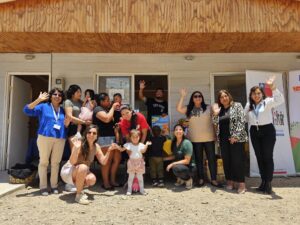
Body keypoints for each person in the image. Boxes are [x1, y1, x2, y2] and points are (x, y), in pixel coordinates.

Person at [244, 76, 284, 194]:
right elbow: (244, 119)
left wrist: (272, 86)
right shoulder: (248, 106)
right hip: (254, 131)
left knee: (267, 157)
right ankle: (263, 181)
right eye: (254, 94)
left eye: (258, 93)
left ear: (262, 94)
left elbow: (280, 100)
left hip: (267, 131)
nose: (256, 95)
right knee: (259, 157)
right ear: (251, 96)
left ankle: (269, 183)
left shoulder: (267, 102)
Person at [23, 88, 66, 196]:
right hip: (44, 137)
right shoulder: (43, 106)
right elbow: (27, 110)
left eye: (60, 95)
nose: (57, 96)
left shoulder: (63, 110)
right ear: (51, 96)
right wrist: (38, 100)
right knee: (44, 162)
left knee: (56, 163)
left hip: (60, 138)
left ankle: (54, 185)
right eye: (55, 94)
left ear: (62, 98)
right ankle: (43, 187)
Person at [61, 125, 118, 205]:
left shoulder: (96, 146)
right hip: (68, 171)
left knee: (92, 179)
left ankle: (77, 188)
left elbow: (103, 162)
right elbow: (72, 162)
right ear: (85, 134)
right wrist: (76, 148)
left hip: (80, 171)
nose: (91, 135)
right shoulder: (79, 143)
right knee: (84, 167)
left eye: (94, 133)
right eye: (89, 132)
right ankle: (79, 195)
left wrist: (109, 150)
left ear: (97, 136)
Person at [176, 89, 221, 188]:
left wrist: (216, 106)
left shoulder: (208, 107)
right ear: (192, 98)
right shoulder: (189, 108)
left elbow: (216, 112)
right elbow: (179, 109)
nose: (197, 98)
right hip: (195, 139)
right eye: (195, 96)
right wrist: (182, 96)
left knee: (211, 159)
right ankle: (201, 179)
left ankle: (213, 179)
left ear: (202, 98)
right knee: (199, 160)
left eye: (199, 96)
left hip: (209, 138)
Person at [212, 90, 248, 194]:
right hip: (223, 139)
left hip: (236, 138)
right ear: (219, 100)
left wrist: (235, 136)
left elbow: (241, 120)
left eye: (226, 96)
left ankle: (241, 183)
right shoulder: (220, 109)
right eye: (221, 97)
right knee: (227, 161)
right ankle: (230, 181)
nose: (224, 98)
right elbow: (215, 122)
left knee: (237, 161)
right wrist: (215, 114)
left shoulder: (237, 105)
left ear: (229, 96)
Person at [64, 84, 91, 192]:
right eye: (78, 92)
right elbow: (70, 117)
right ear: (73, 92)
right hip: (73, 129)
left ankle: (80, 180)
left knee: (82, 155)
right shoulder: (68, 102)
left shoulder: (81, 103)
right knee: (74, 155)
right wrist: (84, 122)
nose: (80, 94)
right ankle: (69, 183)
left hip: (83, 130)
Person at [93, 93, 121, 190]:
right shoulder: (97, 109)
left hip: (112, 138)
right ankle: (106, 183)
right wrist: (113, 107)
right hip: (103, 138)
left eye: (109, 100)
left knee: (114, 160)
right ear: (101, 101)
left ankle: (112, 181)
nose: (110, 102)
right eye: (107, 100)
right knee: (106, 162)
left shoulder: (108, 110)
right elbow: (106, 119)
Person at [117, 129, 152, 195]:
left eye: (137, 137)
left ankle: (142, 190)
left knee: (140, 177)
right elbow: (121, 149)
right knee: (130, 177)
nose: (135, 139)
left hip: (139, 163)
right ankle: (129, 190)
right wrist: (116, 146)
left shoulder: (141, 144)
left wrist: (146, 145)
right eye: (133, 137)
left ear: (139, 137)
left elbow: (143, 151)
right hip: (131, 163)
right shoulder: (128, 145)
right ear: (130, 137)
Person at [165, 124, 194, 190]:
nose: (178, 131)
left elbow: (187, 161)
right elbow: (175, 156)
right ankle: (181, 178)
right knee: (170, 164)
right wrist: (163, 159)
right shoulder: (174, 142)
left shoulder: (186, 143)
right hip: (182, 165)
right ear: (174, 132)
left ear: (183, 132)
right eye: (176, 130)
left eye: (180, 129)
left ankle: (188, 179)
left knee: (175, 167)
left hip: (189, 167)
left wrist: (172, 164)